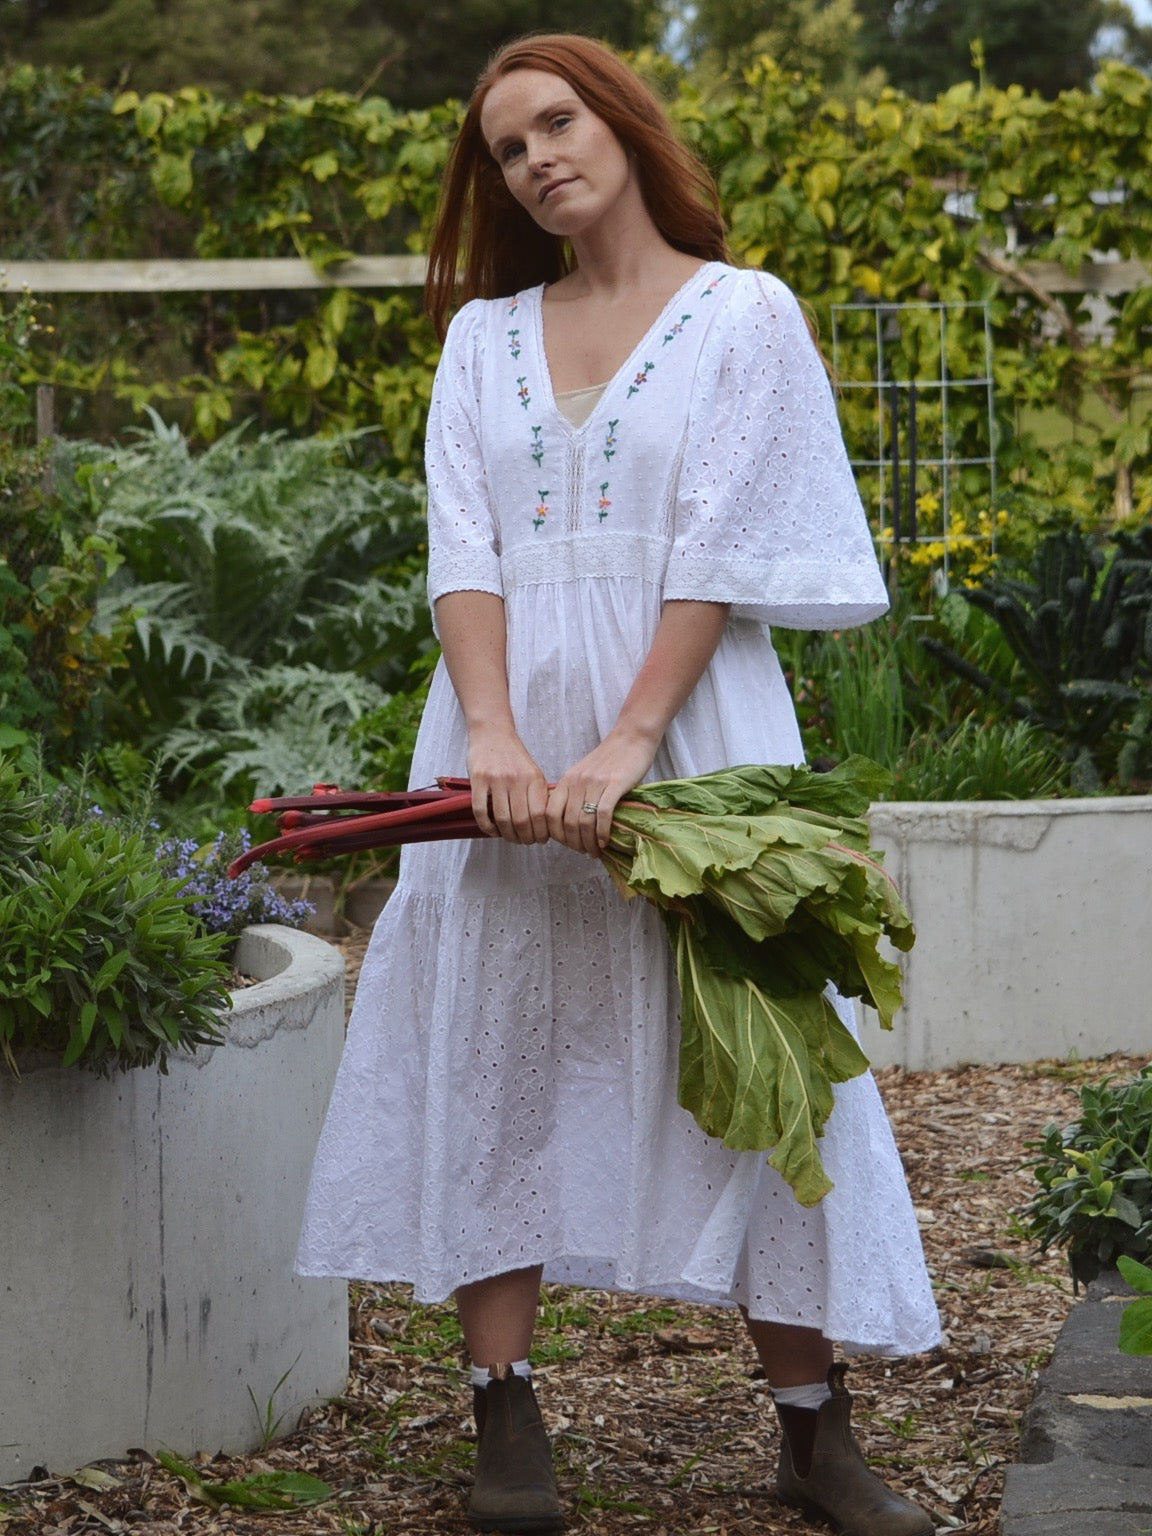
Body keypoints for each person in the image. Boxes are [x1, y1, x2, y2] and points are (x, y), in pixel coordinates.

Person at [296, 32, 941, 1536]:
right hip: (503, 744)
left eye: (557, 122)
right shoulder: (481, 340)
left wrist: (628, 747)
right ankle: (505, 1420)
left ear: (626, 123)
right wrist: (496, 736)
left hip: (691, 734)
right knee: (497, 1042)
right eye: (508, 149)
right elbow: (466, 552)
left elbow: (718, 550)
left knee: (756, 1053)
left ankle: (810, 1427)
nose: (536, 159)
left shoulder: (742, 317)